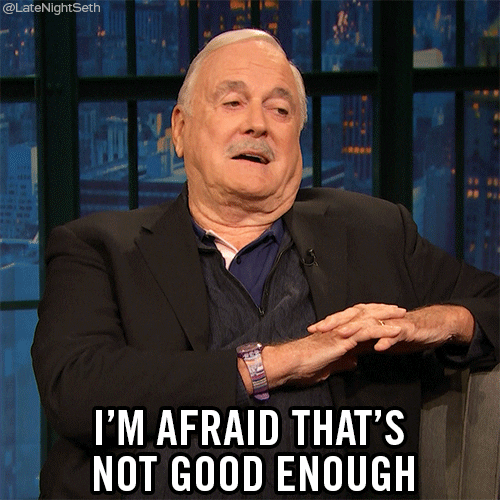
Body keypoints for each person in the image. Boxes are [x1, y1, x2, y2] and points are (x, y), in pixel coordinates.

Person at [32, 29, 498, 499]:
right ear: (180, 129)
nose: (257, 124)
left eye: (280, 110)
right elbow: (76, 390)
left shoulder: (373, 233)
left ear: (297, 141)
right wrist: (276, 363)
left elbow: (492, 303)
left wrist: (433, 322)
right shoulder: (99, 249)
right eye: (233, 102)